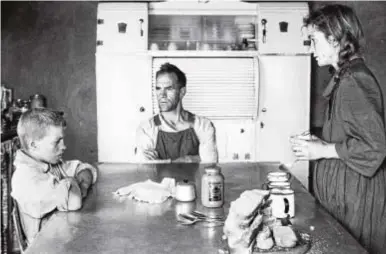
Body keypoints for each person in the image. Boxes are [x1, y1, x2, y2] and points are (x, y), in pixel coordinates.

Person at [290, 4, 386, 254]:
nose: (310, 49)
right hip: (346, 198)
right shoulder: (345, 76)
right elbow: (351, 134)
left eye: (314, 40)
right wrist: (318, 142)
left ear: (333, 39)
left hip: (356, 200)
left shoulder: (354, 81)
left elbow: (375, 147)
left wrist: (323, 149)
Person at [11, 108, 98, 244]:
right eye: (57, 142)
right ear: (33, 145)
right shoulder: (25, 178)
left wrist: (83, 185)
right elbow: (73, 202)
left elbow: (84, 168)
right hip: (45, 247)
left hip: (64, 239)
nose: (64, 146)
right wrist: (74, 183)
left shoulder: (53, 163)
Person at [135, 63, 218, 163]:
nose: (162, 95)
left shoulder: (203, 125)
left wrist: (161, 162)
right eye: (158, 88)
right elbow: (146, 166)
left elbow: (210, 164)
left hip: (195, 179)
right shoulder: (147, 128)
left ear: (182, 92)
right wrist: (191, 159)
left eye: (168, 89)